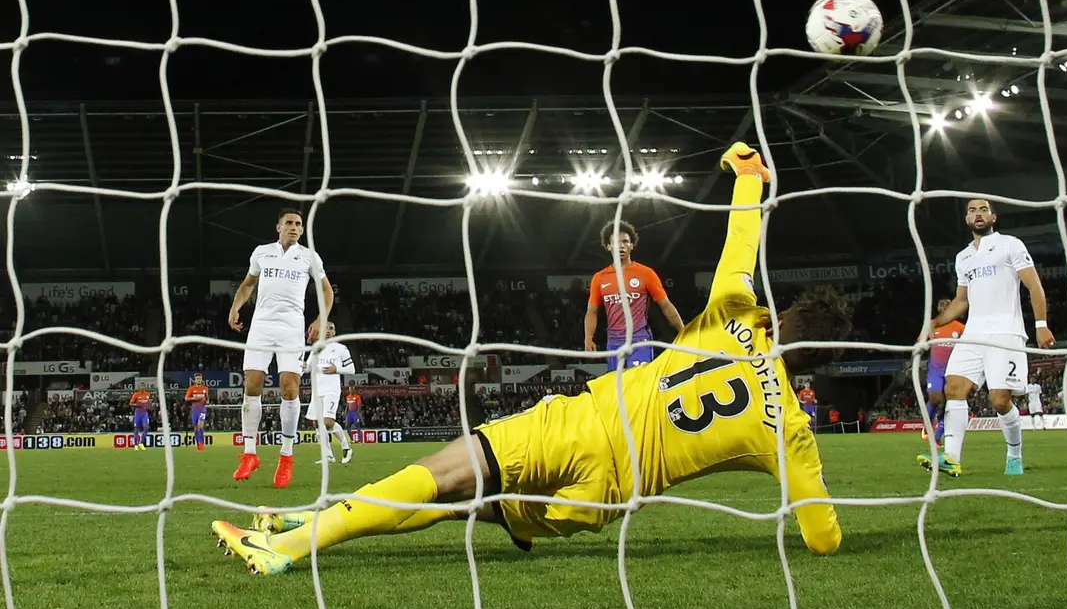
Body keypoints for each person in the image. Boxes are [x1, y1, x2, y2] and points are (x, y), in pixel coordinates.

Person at [209, 142, 853, 575]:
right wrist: (823, 512)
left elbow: (741, 242)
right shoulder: (789, 429)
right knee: (451, 503)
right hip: (598, 499)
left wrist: (748, 177)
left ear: (782, 317)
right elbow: (821, 536)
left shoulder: (735, 319)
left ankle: (287, 546)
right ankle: (308, 520)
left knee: (438, 475)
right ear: (820, 363)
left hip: (573, 426)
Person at [918, 199, 1054, 478]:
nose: (977, 214)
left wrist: (1041, 324)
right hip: (974, 334)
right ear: (967, 220)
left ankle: (1014, 454)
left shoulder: (1011, 245)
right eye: (971, 210)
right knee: (953, 387)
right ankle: (951, 458)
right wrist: (935, 321)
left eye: (983, 210)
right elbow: (961, 300)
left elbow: (1034, 286)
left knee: (1000, 400)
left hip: (1006, 332)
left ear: (994, 216)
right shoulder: (963, 257)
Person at [228, 208, 333, 488]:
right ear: (278, 227)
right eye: (289, 223)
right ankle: (250, 454)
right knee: (252, 384)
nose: (294, 227)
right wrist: (235, 307)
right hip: (261, 325)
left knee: (290, 388)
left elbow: (326, 290)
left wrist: (321, 317)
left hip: (290, 328)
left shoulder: (309, 256)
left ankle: (286, 457)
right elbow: (248, 284)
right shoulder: (262, 252)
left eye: (298, 224)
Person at [584, 220, 686, 372]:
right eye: (616, 243)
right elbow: (592, 311)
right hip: (614, 342)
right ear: (608, 246)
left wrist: (682, 330)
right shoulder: (600, 278)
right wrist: (588, 337)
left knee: (638, 383)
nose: (621, 246)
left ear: (632, 245)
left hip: (639, 339)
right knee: (619, 387)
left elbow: (665, 305)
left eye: (625, 241)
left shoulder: (646, 274)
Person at [304, 322, 355, 464]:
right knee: (316, 423)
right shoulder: (316, 348)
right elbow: (307, 368)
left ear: (335, 331)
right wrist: (300, 366)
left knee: (328, 421)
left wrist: (336, 369)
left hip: (331, 389)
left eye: (331, 328)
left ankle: (346, 448)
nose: (328, 331)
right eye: (325, 328)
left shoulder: (341, 349)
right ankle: (328, 455)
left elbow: (351, 369)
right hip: (317, 390)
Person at [922, 300, 965, 444]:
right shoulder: (933, 326)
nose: (943, 308)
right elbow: (921, 343)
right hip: (936, 369)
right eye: (941, 306)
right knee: (935, 398)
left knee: (950, 403)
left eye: (947, 306)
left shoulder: (960, 328)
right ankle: (927, 426)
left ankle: (937, 437)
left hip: (953, 369)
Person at [185, 374, 209, 451]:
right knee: (195, 427)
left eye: (200, 378)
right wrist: (194, 398)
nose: (198, 380)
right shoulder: (191, 389)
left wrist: (207, 401)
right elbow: (186, 398)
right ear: (195, 380)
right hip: (195, 410)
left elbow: (207, 399)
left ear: (201, 379)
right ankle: (198, 444)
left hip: (202, 409)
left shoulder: (205, 388)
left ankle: (201, 444)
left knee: (200, 426)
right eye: (197, 379)